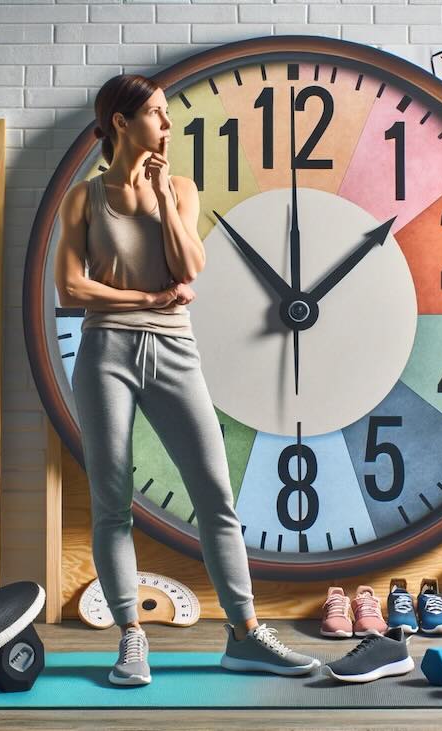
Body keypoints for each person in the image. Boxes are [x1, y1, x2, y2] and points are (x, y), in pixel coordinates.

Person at [54, 73, 321, 687]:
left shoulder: (180, 186)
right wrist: (149, 295)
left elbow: (192, 264)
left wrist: (165, 202)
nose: (167, 125)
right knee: (111, 503)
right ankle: (131, 638)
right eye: (155, 114)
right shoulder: (83, 200)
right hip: (104, 355)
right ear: (121, 123)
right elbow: (70, 289)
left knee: (214, 497)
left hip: (174, 350)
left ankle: (246, 634)